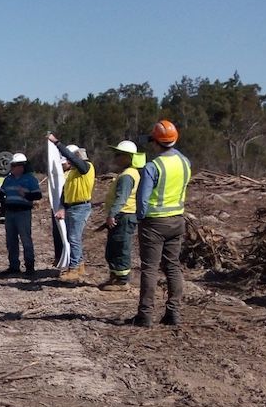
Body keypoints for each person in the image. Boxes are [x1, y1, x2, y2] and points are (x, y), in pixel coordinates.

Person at [134, 120, 192, 327]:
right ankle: (173, 313)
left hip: (154, 222)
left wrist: (140, 217)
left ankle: (145, 315)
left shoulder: (153, 166)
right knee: (173, 267)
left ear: (155, 141)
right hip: (177, 219)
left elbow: (142, 197)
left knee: (150, 268)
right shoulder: (185, 162)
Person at [47, 133, 94, 282]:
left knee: (74, 238)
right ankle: (78, 265)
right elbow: (65, 192)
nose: (67, 161)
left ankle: (74, 268)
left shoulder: (85, 167)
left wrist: (57, 143)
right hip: (71, 207)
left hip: (81, 207)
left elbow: (74, 158)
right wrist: (62, 207)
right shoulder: (72, 173)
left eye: (69, 158)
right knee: (71, 237)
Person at [99, 141, 141, 292]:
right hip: (123, 215)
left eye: (118, 155)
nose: (115, 158)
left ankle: (122, 281)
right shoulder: (128, 173)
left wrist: (112, 214)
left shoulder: (127, 176)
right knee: (114, 246)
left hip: (124, 215)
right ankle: (116, 276)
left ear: (127, 157)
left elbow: (121, 198)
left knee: (120, 246)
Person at [0, 152, 42, 275]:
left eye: (14, 166)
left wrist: (25, 195)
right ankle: (14, 266)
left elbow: (38, 195)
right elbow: (1, 193)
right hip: (9, 213)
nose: (12, 168)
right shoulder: (8, 179)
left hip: (23, 213)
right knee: (11, 241)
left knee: (26, 240)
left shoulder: (30, 179)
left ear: (21, 166)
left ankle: (29, 267)